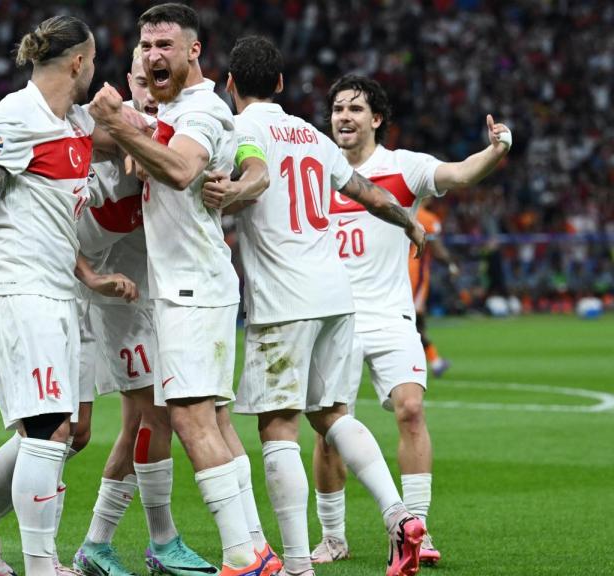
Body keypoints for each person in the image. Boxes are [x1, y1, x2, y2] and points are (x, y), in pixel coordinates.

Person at [202, 37, 430, 576]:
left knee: (277, 427)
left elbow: (255, 176)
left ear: (230, 85)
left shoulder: (242, 130)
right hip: (336, 297)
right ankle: (400, 515)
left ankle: (299, 566)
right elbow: (371, 194)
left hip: (285, 299)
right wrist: (411, 223)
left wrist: (232, 194)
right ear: (280, 84)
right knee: (330, 415)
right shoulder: (309, 132)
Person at [0, 15, 140, 576]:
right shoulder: (12, 119)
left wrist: (89, 275)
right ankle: (43, 566)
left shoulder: (69, 124)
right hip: (19, 293)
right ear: (77, 62)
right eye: (93, 61)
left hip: (60, 294)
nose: (96, 71)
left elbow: (48, 213)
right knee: (48, 430)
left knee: (63, 434)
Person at [89, 6, 276, 576]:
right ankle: (257, 548)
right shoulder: (172, 109)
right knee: (213, 421)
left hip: (192, 288)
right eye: (146, 46)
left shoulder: (202, 109)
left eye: (165, 45)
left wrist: (121, 124)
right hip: (190, 288)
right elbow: (147, 156)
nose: (153, 56)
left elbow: (179, 169)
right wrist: (133, 124)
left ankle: (244, 557)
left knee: (191, 419)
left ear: (195, 51)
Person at [311, 74, 511, 567]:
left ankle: (415, 528)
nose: (344, 117)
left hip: (391, 314)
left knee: (411, 410)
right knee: (330, 429)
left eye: (355, 109)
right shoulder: (316, 169)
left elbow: (461, 174)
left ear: (376, 119)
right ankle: (333, 536)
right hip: (332, 317)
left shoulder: (403, 168)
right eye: (338, 108)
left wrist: (497, 148)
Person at [71, 49, 220, 576]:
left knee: (139, 419)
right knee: (153, 416)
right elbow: (114, 144)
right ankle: (161, 541)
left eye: (152, 82)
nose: (145, 90)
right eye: (136, 79)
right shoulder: (104, 131)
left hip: (152, 293)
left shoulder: (173, 129)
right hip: (115, 297)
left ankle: (97, 544)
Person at [410, 202, 458, 378]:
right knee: (414, 322)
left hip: (396, 275)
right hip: (415, 276)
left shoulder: (400, 210)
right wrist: (451, 264)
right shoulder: (426, 218)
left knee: (413, 322)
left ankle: (435, 360)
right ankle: (429, 363)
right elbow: (436, 248)